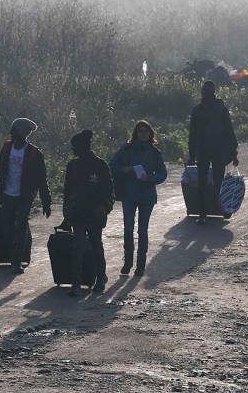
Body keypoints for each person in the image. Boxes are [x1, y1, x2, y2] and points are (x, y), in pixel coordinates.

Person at [59, 130, 114, 296]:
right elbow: (67, 191)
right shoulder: (72, 166)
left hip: (95, 213)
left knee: (96, 245)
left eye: (75, 147)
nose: (73, 151)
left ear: (84, 147)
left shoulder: (100, 165)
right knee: (78, 247)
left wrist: (105, 207)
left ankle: (100, 277)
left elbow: (109, 189)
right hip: (78, 213)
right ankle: (76, 284)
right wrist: (66, 214)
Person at [110, 121, 167, 277]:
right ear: (136, 133)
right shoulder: (126, 149)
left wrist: (149, 178)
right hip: (129, 194)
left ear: (150, 134)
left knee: (142, 230)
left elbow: (162, 174)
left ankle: (140, 265)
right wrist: (125, 169)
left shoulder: (155, 153)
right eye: (140, 131)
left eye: (146, 131)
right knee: (128, 229)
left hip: (147, 195)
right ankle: (128, 262)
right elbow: (112, 166)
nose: (143, 133)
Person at [0, 118, 51, 274]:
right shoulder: (6, 147)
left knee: (19, 226)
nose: (12, 134)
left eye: (15, 132)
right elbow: (1, 170)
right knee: (8, 227)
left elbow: (42, 179)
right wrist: (0, 193)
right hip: (7, 193)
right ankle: (21, 253)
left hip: (24, 196)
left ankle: (17, 261)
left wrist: (46, 201)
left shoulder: (34, 153)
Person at [188, 80, 239, 225]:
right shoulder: (197, 110)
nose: (206, 94)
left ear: (213, 93)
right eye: (204, 91)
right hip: (203, 150)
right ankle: (203, 213)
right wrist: (192, 155)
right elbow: (193, 134)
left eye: (208, 92)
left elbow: (229, 131)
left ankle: (223, 209)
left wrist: (233, 153)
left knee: (219, 182)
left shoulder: (220, 109)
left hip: (218, 150)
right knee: (202, 183)